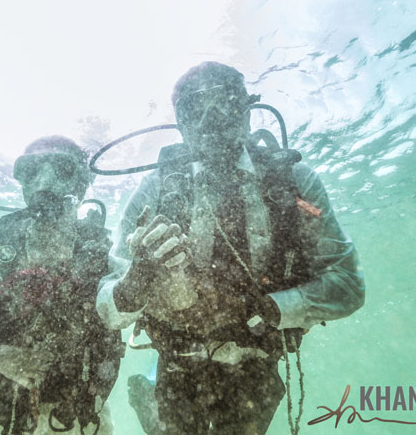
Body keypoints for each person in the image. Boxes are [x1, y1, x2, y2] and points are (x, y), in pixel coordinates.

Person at [96, 62, 365, 434]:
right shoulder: (154, 191)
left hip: (254, 369)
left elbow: (348, 286)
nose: (213, 118)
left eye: (225, 101)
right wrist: (133, 283)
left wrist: (270, 310)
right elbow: (108, 311)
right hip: (177, 367)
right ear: (181, 123)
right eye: (196, 108)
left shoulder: (293, 183)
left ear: (248, 110)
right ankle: (151, 400)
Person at [0, 136, 124, 435]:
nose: (44, 181)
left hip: (83, 423)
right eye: (31, 170)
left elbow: (144, 293)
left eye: (61, 168)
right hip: (0, 424)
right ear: (21, 182)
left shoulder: (106, 263)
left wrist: (152, 269)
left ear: (82, 186)